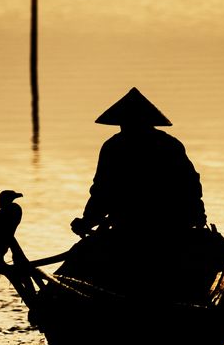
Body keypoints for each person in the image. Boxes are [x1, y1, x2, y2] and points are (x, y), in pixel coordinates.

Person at [69, 88, 205, 237]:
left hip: (131, 228)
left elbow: (102, 193)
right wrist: (197, 217)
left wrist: (87, 221)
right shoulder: (170, 144)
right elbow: (190, 186)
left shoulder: (113, 147)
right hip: (171, 226)